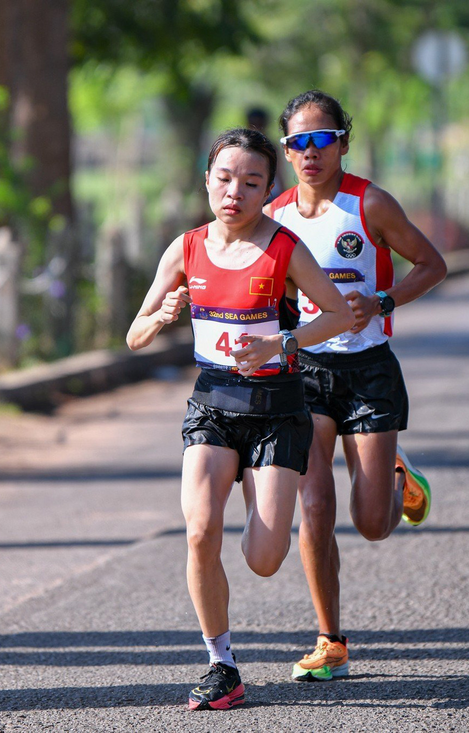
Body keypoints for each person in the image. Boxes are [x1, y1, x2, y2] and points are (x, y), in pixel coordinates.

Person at [127, 127, 351, 710]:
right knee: (200, 530)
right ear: (207, 181)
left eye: (251, 182)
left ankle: (262, 493)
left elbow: (337, 314)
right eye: (225, 179)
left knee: (263, 559)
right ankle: (221, 664)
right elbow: (134, 335)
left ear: (267, 189)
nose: (235, 192)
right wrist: (161, 316)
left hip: (278, 411)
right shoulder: (186, 248)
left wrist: (283, 344)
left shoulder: (284, 249)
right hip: (213, 407)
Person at [265, 90, 447, 681]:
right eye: (298, 142)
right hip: (308, 374)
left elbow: (432, 264)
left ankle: (397, 476)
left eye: (322, 139)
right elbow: (250, 280)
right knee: (313, 504)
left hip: (368, 370)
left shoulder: (370, 204)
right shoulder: (276, 217)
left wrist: (383, 301)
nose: (310, 151)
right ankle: (330, 641)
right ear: (287, 150)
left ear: (344, 140)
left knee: (371, 523)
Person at [247, 105, 288, 199]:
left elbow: (279, 171)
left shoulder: (271, 146)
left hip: (271, 194)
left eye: (259, 125)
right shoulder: (242, 146)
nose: (256, 128)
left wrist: (283, 194)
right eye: (254, 124)